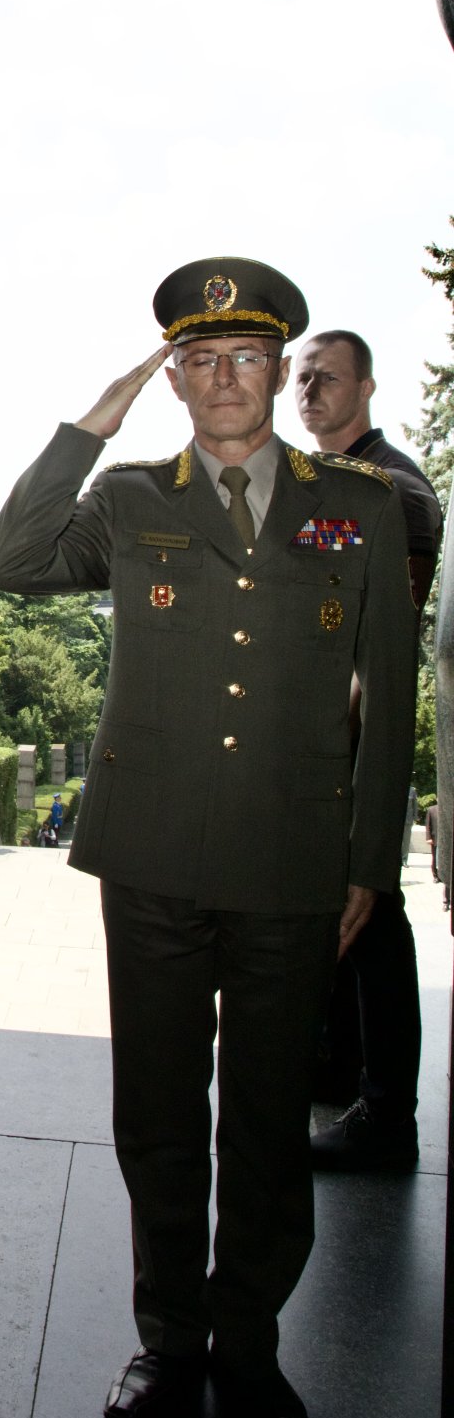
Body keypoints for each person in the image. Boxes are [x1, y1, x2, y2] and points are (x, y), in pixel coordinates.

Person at [0, 258, 417, 1418]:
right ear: (174, 377)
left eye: (245, 356)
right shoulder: (127, 501)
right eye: (198, 359)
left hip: (291, 863)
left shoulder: (359, 506)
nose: (224, 378)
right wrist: (87, 424)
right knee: (159, 1115)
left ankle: (248, 1344)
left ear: (279, 369)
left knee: (268, 1123)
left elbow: (386, 700)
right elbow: (7, 561)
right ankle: (167, 1336)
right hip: (155, 859)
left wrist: (367, 865)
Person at [295, 329, 443, 1172]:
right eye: (303, 379)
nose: (310, 391)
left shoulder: (389, 490)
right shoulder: (343, 482)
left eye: (328, 378)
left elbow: (374, 640)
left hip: (355, 738)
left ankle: (388, 1116)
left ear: (369, 387)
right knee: (345, 907)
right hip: (335, 734)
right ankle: (342, 1066)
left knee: (374, 913)